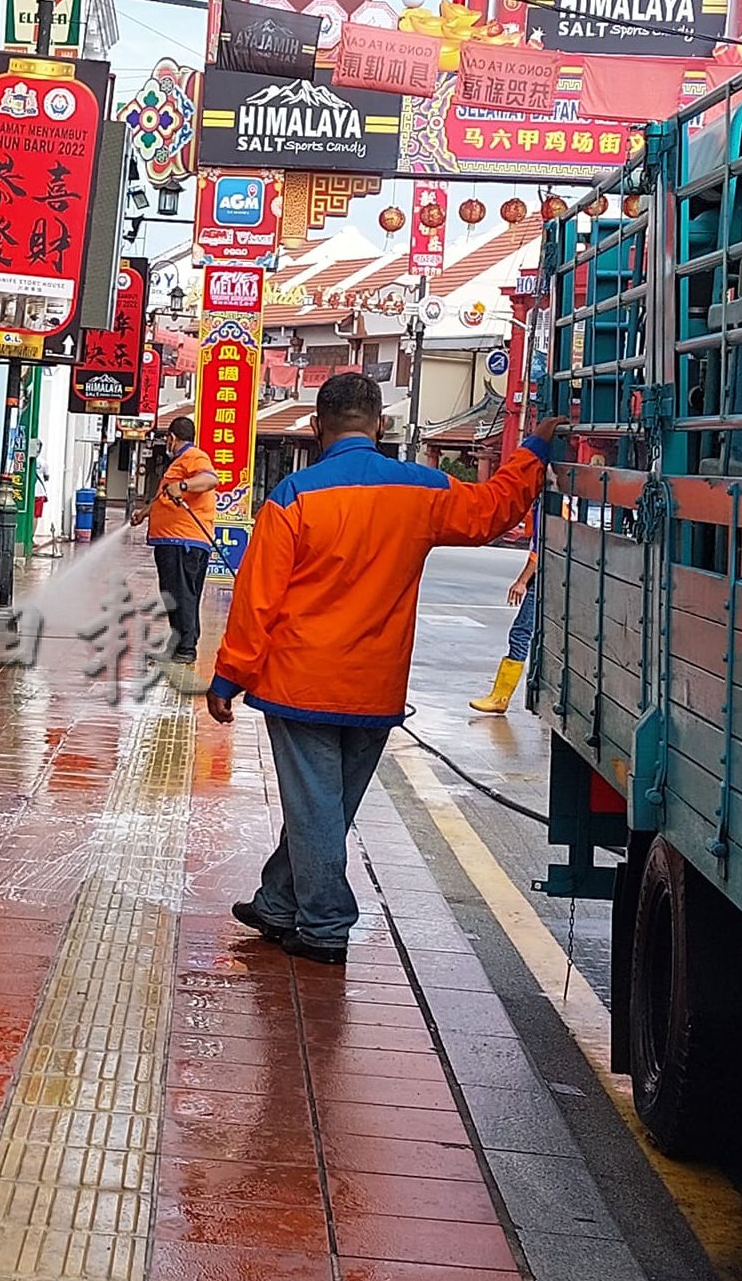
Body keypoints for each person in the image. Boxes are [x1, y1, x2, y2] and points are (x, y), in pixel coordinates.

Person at [205, 372, 564, 964]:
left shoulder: (294, 496)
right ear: (380, 425)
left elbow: (257, 599)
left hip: (302, 683)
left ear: (317, 427)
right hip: (376, 686)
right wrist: (535, 450)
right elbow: (493, 510)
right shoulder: (420, 490)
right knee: (328, 806)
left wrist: (229, 677)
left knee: (315, 806)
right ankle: (276, 901)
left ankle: (324, 925)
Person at [130, 416, 220, 664]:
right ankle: (180, 643)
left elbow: (211, 480)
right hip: (175, 540)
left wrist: (183, 484)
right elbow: (165, 497)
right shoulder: (181, 462)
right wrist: (145, 513)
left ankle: (186, 648)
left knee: (181, 594)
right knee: (176, 593)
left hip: (184, 540)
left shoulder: (194, 457)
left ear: (171, 438)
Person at [471, 548, 539, 713]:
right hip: (551, 573)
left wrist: (522, 582)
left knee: (520, 633)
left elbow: (540, 549)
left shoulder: (545, 520)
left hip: (544, 577)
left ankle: (500, 698)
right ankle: (500, 697)